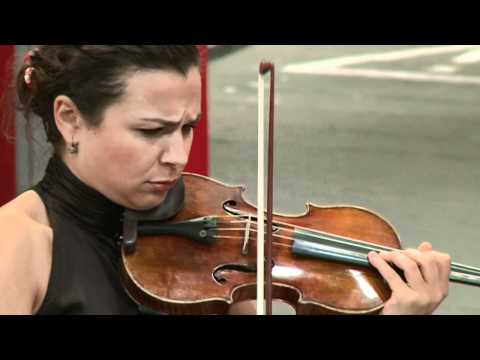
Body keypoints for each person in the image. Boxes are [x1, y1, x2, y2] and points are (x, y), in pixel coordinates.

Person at [0, 45, 451, 315]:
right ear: (70, 119)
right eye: (151, 131)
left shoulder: (207, 237)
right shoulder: (19, 243)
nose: (177, 156)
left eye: (187, 127)